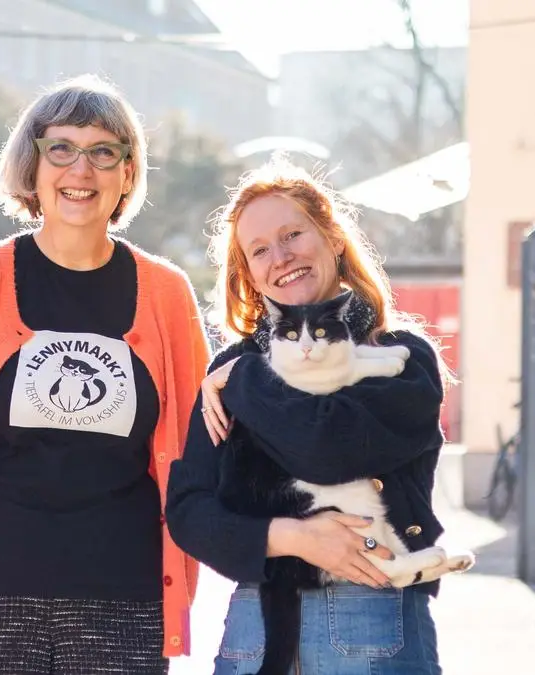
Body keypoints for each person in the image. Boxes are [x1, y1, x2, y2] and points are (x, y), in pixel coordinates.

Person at [0, 74, 210, 674]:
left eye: (103, 152)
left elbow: (198, 446)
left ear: (127, 174)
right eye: (62, 149)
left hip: (124, 608)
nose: (81, 170)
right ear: (33, 167)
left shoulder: (166, 294)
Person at [165, 156, 455, 674]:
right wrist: (290, 536)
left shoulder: (403, 360)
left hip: (372, 616)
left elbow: (327, 449)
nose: (280, 256)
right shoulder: (230, 372)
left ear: (333, 239)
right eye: (259, 250)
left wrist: (246, 378)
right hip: (256, 627)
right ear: (249, 276)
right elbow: (189, 510)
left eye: (293, 234)